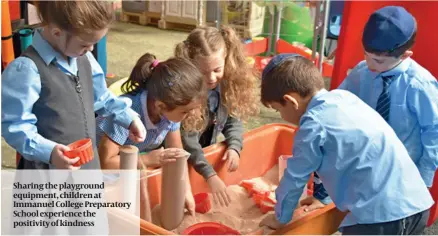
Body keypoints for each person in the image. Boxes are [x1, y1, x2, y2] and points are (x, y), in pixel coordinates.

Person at [258, 54, 433, 235]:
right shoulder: (344, 98)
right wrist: (323, 198)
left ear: (291, 101)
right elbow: (342, 157)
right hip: (415, 203)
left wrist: (280, 218)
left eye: (278, 110)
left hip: (381, 218)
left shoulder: (313, 124)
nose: (281, 115)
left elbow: (295, 177)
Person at [1, 0, 145, 170]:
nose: (91, 49)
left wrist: (128, 118)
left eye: (94, 43)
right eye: (85, 44)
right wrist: (50, 152)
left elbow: (102, 98)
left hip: (87, 168)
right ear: (57, 33)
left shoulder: (84, 58)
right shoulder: (27, 69)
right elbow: (14, 125)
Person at [96, 53, 207, 216]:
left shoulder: (170, 111)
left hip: (127, 162)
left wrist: (187, 191)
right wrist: (148, 160)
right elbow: (104, 163)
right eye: (186, 111)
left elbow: (178, 154)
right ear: (161, 105)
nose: (191, 114)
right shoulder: (126, 114)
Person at [339, 6, 438, 188]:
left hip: (401, 174)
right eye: (366, 55)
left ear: (405, 55)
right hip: (363, 167)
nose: (369, 64)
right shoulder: (361, 72)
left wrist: (423, 180)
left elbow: (434, 132)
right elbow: (338, 105)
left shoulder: (419, 85)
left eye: (378, 60)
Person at [174, 25, 259, 206]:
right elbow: (187, 140)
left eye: (217, 70)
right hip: (181, 152)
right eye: (203, 72)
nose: (211, 78)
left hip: (203, 150)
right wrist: (209, 174)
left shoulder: (225, 87)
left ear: (227, 62)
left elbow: (232, 119)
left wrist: (234, 146)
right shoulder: (186, 92)